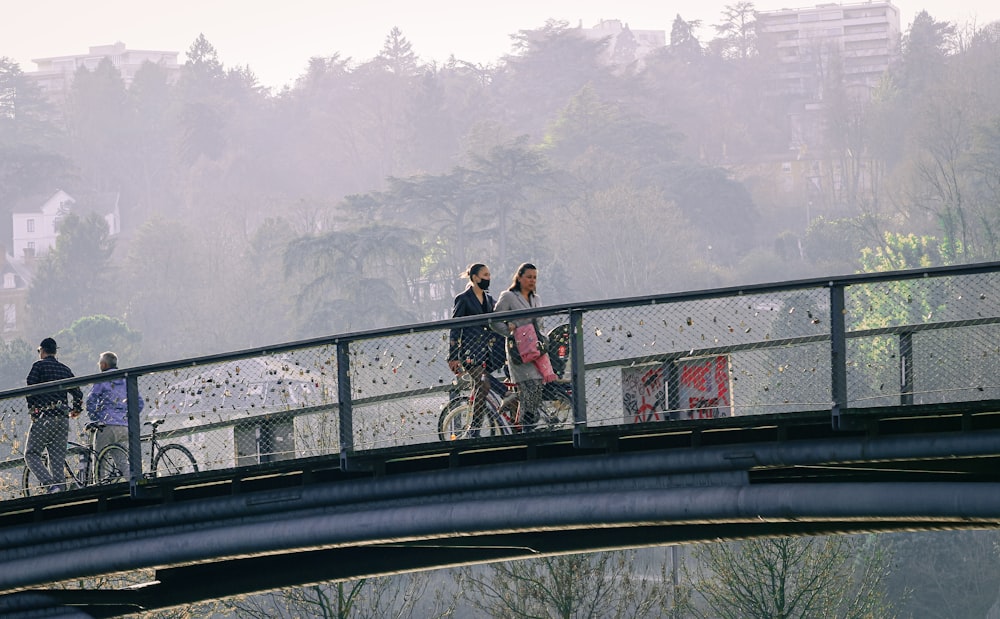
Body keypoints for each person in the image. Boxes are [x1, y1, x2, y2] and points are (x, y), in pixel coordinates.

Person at [493, 262, 557, 431]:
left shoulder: (536, 299)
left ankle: (526, 423)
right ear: (519, 277)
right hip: (519, 352)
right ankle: (526, 426)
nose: (532, 280)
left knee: (536, 385)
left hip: (537, 350)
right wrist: (510, 332)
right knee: (530, 384)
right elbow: (494, 320)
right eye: (529, 277)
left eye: (535, 277)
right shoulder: (508, 296)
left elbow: (540, 323)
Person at [25, 337, 83, 493]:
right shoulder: (64, 369)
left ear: (42, 351)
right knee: (57, 456)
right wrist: (76, 409)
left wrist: (33, 409)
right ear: (55, 351)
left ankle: (50, 485)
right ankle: (60, 491)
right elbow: (77, 391)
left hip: (44, 416)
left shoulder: (38, 366)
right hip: (62, 417)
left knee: (31, 454)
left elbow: (30, 387)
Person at [447, 263, 499, 438]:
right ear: (475, 277)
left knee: (482, 387)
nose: (488, 278)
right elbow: (455, 328)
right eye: (485, 274)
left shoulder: (490, 300)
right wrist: (453, 356)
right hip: (470, 353)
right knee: (483, 384)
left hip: (488, 352)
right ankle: (474, 429)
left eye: (489, 274)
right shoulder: (463, 299)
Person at [86, 351, 143, 476]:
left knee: (101, 461)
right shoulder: (126, 379)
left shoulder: (102, 380)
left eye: (100, 363)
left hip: (106, 424)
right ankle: (133, 481)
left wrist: (95, 417)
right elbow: (140, 402)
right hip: (124, 425)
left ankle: (101, 488)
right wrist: (129, 416)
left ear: (104, 365)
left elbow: (91, 400)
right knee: (122, 461)